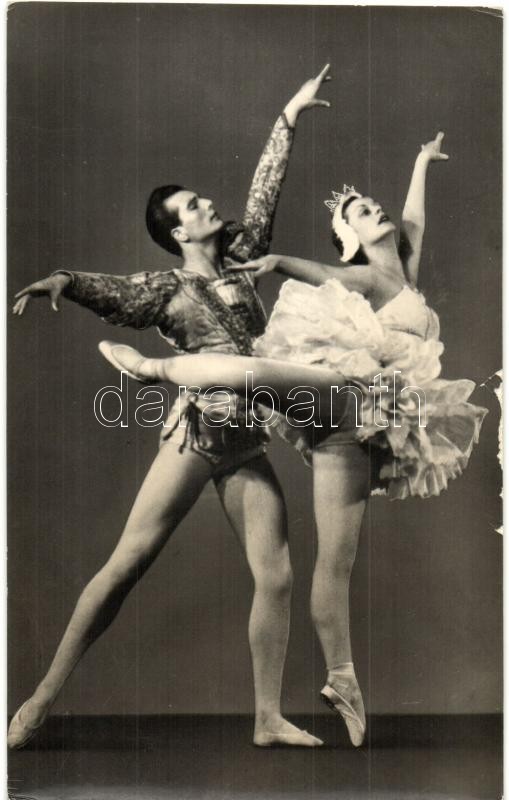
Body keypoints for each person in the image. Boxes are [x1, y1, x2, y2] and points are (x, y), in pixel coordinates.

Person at [98, 132, 488, 747]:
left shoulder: (404, 271)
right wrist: (278, 261)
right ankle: (152, 368)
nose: (376, 210)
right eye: (361, 212)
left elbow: (413, 220)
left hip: (357, 432)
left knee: (336, 563)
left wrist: (420, 162)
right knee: (253, 372)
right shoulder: (361, 275)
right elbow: (323, 270)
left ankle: (343, 680)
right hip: (337, 397)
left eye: (373, 205)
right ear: (351, 238)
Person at [9, 67, 334, 750]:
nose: (207, 204)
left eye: (201, 199)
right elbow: (113, 290)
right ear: (178, 232)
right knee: (127, 563)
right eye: (192, 205)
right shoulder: (165, 287)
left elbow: (264, 192)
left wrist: (288, 116)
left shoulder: (243, 259)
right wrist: (62, 280)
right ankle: (39, 701)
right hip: (198, 435)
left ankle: (267, 718)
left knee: (276, 575)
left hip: (246, 439)